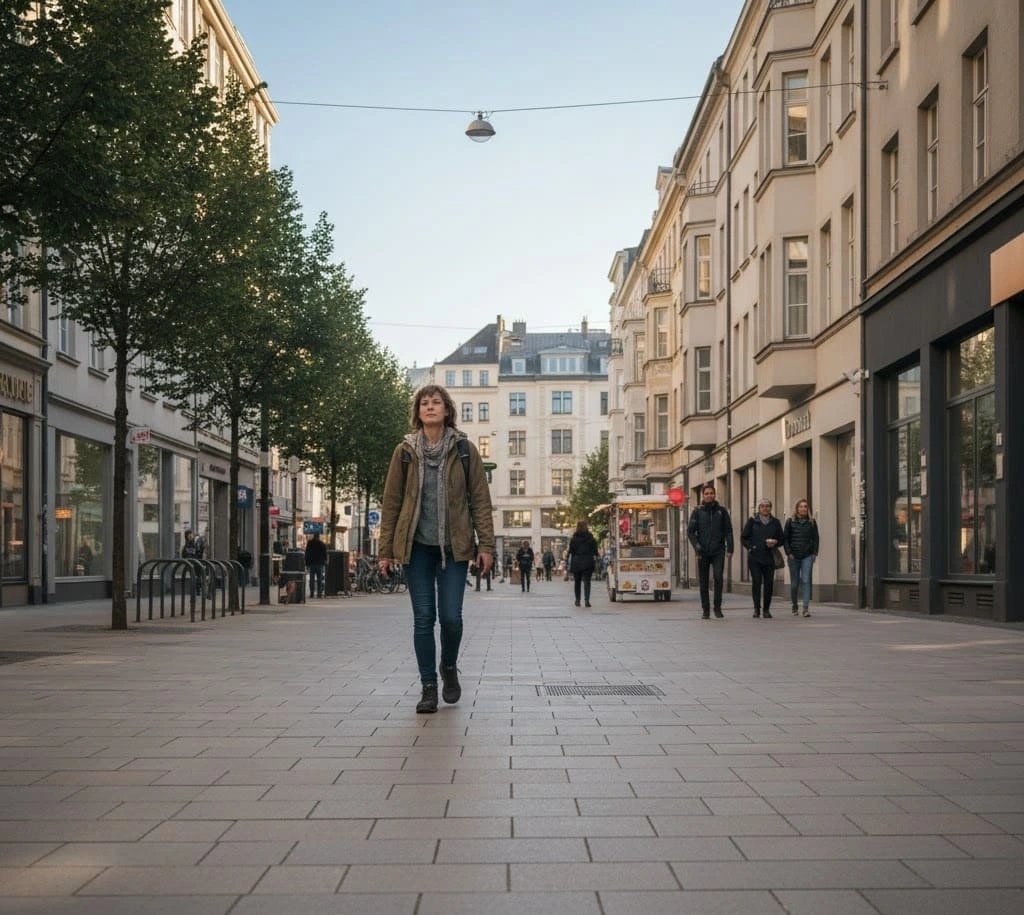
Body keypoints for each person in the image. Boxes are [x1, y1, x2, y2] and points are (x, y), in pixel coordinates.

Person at [378, 384, 495, 714]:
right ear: (417, 412)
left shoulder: (464, 450)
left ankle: (449, 667)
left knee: (451, 618)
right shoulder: (404, 452)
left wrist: (485, 545)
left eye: (436, 402)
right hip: (417, 548)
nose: (430, 407)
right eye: (424, 403)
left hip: (454, 547)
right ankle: (429, 686)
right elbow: (391, 504)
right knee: (423, 619)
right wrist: (385, 551)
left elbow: (480, 502)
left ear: (447, 410)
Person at [687, 484, 734, 619]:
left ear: (714, 495)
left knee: (718, 578)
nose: (709, 495)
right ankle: (705, 609)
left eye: (711, 493)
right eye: (706, 493)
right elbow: (690, 532)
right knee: (704, 581)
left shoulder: (722, 511)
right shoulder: (697, 511)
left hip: (718, 550)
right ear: (703, 495)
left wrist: (730, 548)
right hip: (702, 551)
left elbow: (728, 531)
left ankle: (717, 608)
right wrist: (696, 546)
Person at [741, 498, 784, 619]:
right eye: (762, 506)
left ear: (771, 508)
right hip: (755, 558)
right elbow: (744, 537)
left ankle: (766, 609)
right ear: (759, 508)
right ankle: (756, 609)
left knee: (769, 584)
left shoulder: (775, 522)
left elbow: (782, 539)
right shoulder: (752, 521)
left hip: (769, 557)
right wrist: (751, 547)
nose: (765, 508)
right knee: (756, 582)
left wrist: (775, 542)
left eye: (767, 506)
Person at [784, 498, 819, 617]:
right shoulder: (790, 521)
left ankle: (805, 608)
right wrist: (789, 553)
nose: (803, 508)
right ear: (797, 508)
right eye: (801, 506)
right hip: (793, 556)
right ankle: (794, 604)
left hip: (807, 556)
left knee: (806, 580)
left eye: (805, 506)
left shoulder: (812, 522)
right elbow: (785, 539)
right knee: (794, 583)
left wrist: (814, 553)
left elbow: (816, 539)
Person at [567, 521, 600, 607]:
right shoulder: (590, 538)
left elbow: (571, 551)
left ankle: (577, 600)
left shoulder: (574, 538)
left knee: (577, 582)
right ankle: (587, 600)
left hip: (577, 561)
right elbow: (595, 550)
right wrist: (596, 555)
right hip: (588, 561)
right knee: (587, 582)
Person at [305, 532, 327, 598]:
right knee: (319, 579)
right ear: (318, 536)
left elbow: (307, 553)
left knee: (311, 579)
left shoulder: (310, 543)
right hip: (319, 564)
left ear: (314, 536)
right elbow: (324, 554)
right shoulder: (322, 544)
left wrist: (307, 563)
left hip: (312, 564)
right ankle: (319, 594)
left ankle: (312, 593)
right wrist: (324, 562)